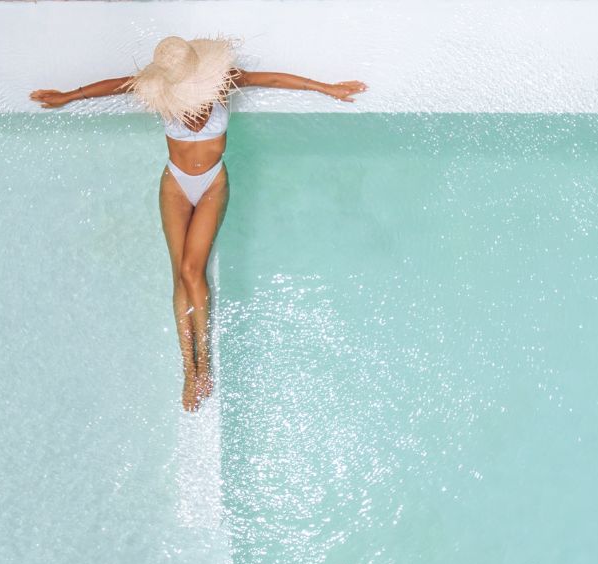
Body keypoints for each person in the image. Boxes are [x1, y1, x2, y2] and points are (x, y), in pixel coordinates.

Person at [29, 35, 367, 411]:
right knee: (179, 274)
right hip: (175, 184)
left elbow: (269, 80)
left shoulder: (221, 82)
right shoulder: (162, 92)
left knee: (193, 271)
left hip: (211, 184)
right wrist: (67, 96)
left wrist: (327, 89)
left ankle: (203, 361)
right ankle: (188, 369)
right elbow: (115, 86)